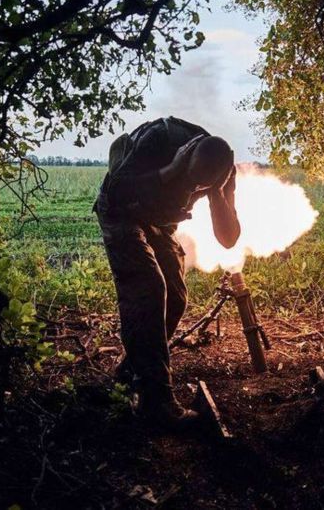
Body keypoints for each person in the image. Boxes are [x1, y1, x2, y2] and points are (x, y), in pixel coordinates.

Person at [93, 117, 240, 429]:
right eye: (191, 181)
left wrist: (218, 195)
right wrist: (170, 172)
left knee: (175, 297)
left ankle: (132, 374)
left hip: (159, 222)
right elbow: (117, 190)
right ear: (186, 153)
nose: (192, 190)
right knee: (148, 288)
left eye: (200, 186)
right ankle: (157, 402)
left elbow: (228, 238)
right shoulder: (159, 138)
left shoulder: (223, 172)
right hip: (121, 213)